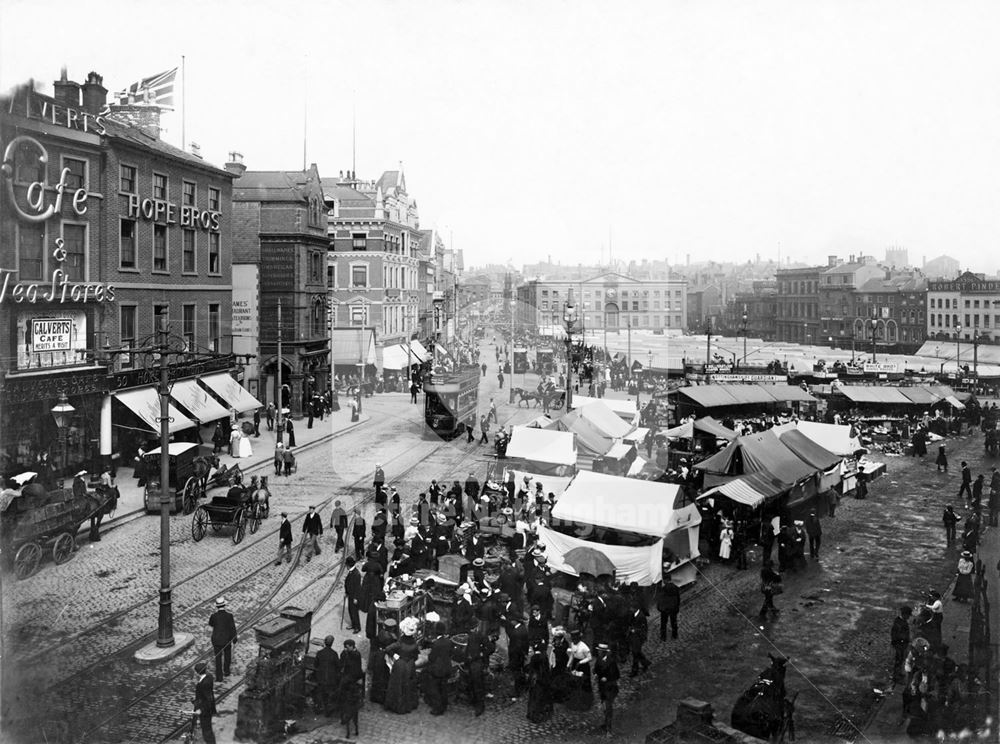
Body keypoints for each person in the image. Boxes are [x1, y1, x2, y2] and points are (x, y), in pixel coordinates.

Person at [383, 616, 420, 713]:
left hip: (400, 665)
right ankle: (408, 705)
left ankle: (397, 706)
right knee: (408, 685)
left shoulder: (399, 643)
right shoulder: (414, 644)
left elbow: (387, 649)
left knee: (397, 685)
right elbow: (416, 656)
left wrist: (395, 655)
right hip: (410, 665)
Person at [424, 623, 453, 715]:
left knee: (435, 689)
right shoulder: (448, 641)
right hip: (447, 668)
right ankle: (444, 705)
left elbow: (432, 658)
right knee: (443, 688)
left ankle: (437, 708)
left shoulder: (436, 643)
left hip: (438, 670)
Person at [594, 642, 620, 736]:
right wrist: (596, 674)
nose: (598, 652)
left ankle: (609, 729)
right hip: (602, 688)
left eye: (600, 651)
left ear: (604, 652)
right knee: (605, 708)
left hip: (610, 688)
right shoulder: (599, 660)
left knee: (608, 708)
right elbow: (596, 669)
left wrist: (607, 678)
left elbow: (617, 675)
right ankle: (606, 724)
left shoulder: (611, 662)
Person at [208, 597, 237, 681]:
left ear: (216, 606)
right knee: (227, 656)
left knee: (218, 658)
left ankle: (219, 676)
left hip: (216, 640)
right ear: (225, 605)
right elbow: (232, 628)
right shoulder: (229, 616)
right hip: (227, 640)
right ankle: (226, 671)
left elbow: (211, 624)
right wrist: (234, 639)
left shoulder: (213, 616)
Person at [369, 618, 397, 705]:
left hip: (378, 655)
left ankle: (374, 696)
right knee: (383, 677)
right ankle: (381, 697)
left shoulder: (381, 632)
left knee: (377, 676)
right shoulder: (390, 637)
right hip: (384, 657)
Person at [339, 639, 363, 739]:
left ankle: (345, 717)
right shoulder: (348, 653)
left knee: (345, 699)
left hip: (350, 682)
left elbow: (354, 668)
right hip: (349, 681)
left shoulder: (356, 655)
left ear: (352, 646)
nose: (345, 649)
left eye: (347, 647)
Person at [565, 629, 593, 711]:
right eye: (573, 639)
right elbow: (572, 655)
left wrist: (581, 662)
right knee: (574, 682)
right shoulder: (572, 644)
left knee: (584, 683)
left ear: (579, 638)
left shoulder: (584, 647)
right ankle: (574, 701)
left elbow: (590, 658)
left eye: (575, 639)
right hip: (575, 664)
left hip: (583, 666)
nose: (574, 641)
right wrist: (568, 664)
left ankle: (585, 701)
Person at [526, 641, 553, 723]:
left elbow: (531, 669)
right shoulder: (544, 656)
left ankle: (534, 714)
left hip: (536, 681)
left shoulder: (534, 658)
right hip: (543, 680)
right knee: (542, 697)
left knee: (535, 698)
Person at [314, 635, 341, 716]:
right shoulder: (334, 654)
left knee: (320, 694)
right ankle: (328, 712)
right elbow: (338, 666)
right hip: (331, 679)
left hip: (321, 678)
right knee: (329, 695)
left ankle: (319, 709)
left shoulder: (319, 653)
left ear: (325, 643)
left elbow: (315, 665)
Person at [192, 661, 217, 744]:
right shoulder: (209, 677)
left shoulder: (202, 684)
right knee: (207, 729)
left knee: (207, 731)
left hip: (205, 711)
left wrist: (201, 709)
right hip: (206, 707)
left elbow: (208, 699)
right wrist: (195, 700)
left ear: (197, 673)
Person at [891, 605, 912, 682]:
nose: (909, 617)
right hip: (899, 645)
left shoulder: (901, 621)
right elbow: (897, 636)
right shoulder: (899, 624)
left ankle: (898, 673)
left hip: (901, 644)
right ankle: (896, 677)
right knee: (898, 660)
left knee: (901, 660)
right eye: (908, 615)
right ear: (904, 614)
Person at [344, 557, 362, 633]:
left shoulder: (356, 573)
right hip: (350, 595)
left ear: (348, 565)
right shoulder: (351, 572)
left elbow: (357, 587)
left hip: (354, 596)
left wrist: (356, 598)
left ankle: (357, 627)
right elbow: (348, 583)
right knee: (351, 611)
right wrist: (347, 593)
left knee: (354, 612)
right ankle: (353, 624)